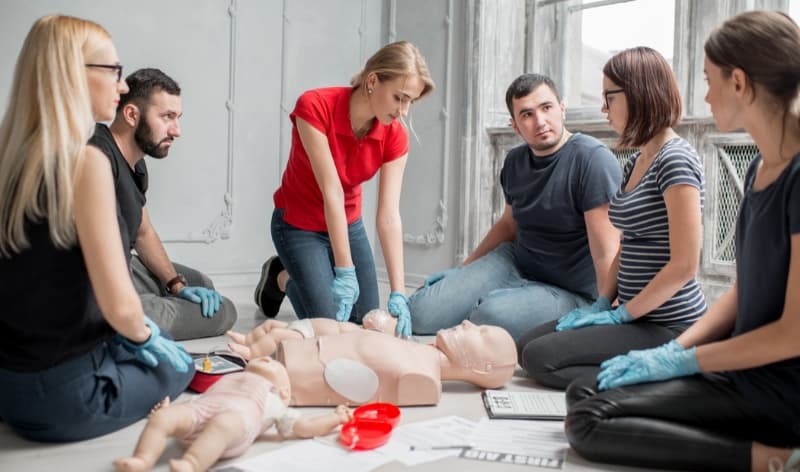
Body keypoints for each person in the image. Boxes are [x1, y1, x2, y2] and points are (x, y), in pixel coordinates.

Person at [565, 11, 800, 472]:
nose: (706, 96)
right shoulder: (758, 168)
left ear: (740, 83)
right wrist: (671, 353)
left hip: (780, 389)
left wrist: (688, 360)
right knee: (583, 393)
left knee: (589, 419)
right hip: (738, 369)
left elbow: (793, 332)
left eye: (710, 81)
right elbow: (741, 292)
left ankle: (775, 459)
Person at [0, 15, 194, 442]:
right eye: (115, 72)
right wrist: (151, 343)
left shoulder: (10, 159)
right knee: (181, 368)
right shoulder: (85, 161)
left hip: (9, 383)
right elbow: (121, 307)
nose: (122, 85)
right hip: (62, 399)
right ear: (74, 73)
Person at [515, 47, 707, 389]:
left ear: (638, 94)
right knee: (524, 346)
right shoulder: (637, 160)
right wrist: (604, 302)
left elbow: (684, 266)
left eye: (609, 97)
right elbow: (626, 242)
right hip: (632, 314)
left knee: (539, 358)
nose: (604, 107)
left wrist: (622, 315)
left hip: (667, 324)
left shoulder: (675, 160)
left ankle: (660, 375)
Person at [408, 73, 623, 340]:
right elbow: (508, 225)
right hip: (515, 261)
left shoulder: (592, 159)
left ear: (562, 109)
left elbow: (607, 251)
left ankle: (496, 304)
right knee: (420, 312)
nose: (540, 121)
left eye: (546, 108)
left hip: (568, 289)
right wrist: (463, 270)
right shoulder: (515, 161)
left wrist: (606, 308)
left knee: (488, 315)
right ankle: (492, 300)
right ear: (515, 125)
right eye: (527, 114)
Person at [254, 41, 435, 338]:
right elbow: (332, 191)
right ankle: (281, 277)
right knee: (331, 329)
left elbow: (389, 215)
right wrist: (345, 271)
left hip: (348, 224)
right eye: (398, 98)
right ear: (373, 80)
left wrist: (399, 291)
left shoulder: (395, 137)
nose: (403, 111)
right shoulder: (314, 106)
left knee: (367, 323)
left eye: (409, 102)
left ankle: (298, 273)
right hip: (298, 225)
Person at [89, 68, 237, 340]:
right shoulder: (96, 156)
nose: (177, 131)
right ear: (132, 115)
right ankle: (123, 317)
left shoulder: (137, 164)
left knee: (201, 284)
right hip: (93, 283)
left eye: (178, 118)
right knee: (224, 312)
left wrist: (176, 285)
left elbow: (143, 232)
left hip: (124, 265)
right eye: (167, 117)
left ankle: (151, 299)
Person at [113, 356, 352, 472]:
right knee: (164, 419)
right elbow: (199, 398)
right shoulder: (231, 377)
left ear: (285, 392)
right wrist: (168, 413)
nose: (269, 358)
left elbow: (303, 426)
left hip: (234, 424)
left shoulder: (273, 400)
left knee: (224, 424)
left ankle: (192, 463)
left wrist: (334, 418)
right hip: (199, 410)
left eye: (276, 365)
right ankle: (142, 459)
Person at [275, 319, 516, 406]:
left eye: (482, 334)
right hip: (299, 352)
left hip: (292, 373)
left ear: (483, 368)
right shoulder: (418, 353)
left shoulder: (422, 380)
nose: (467, 323)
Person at [226, 309, 399, 360]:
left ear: (378, 333)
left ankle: (252, 353)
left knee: (277, 334)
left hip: (307, 336)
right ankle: (248, 340)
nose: (379, 313)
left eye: (383, 318)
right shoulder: (358, 326)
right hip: (304, 325)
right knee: (270, 324)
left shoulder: (360, 337)